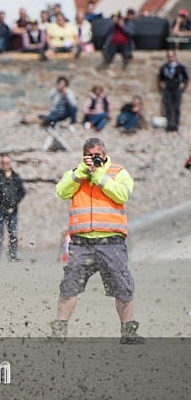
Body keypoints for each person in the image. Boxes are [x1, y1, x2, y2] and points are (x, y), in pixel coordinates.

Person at [51, 137, 143, 344]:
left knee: (122, 284)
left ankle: (128, 331)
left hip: (111, 241)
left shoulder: (118, 172)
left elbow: (122, 195)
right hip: (81, 242)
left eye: (98, 156)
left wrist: (99, 175)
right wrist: (80, 173)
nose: (94, 159)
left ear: (105, 154)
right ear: (84, 156)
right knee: (69, 285)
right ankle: (59, 330)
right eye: (90, 156)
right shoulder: (76, 173)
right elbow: (61, 191)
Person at [0, 154, 25, 261]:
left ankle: (12, 255)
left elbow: (22, 192)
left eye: (7, 163)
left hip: (12, 210)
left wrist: (15, 202)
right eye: (3, 163)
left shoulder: (15, 177)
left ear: (10, 163)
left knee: (13, 233)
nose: (5, 165)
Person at [157, 49, 188, 132]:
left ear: (175, 56)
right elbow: (160, 78)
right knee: (168, 107)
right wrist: (161, 84)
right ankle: (169, 124)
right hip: (168, 88)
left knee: (176, 107)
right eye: (169, 56)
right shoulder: (164, 67)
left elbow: (185, 77)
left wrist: (183, 84)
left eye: (172, 56)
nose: (170, 58)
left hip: (176, 88)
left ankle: (176, 124)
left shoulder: (180, 67)